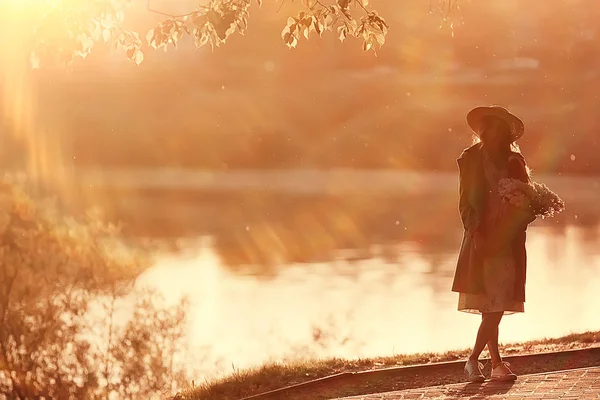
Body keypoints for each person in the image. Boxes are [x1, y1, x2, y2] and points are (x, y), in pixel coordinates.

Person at [452, 106, 536, 382]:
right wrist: (477, 234)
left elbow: (526, 197)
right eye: (492, 128)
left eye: (502, 130)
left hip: (508, 238)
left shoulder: (514, 161)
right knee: (491, 304)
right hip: (481, 237)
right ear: (484, 130)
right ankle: (494, 364)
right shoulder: (470, 159)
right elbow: (465, 204)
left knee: (497, 304)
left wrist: (528, 210)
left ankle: (475, 360)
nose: (496, 134)